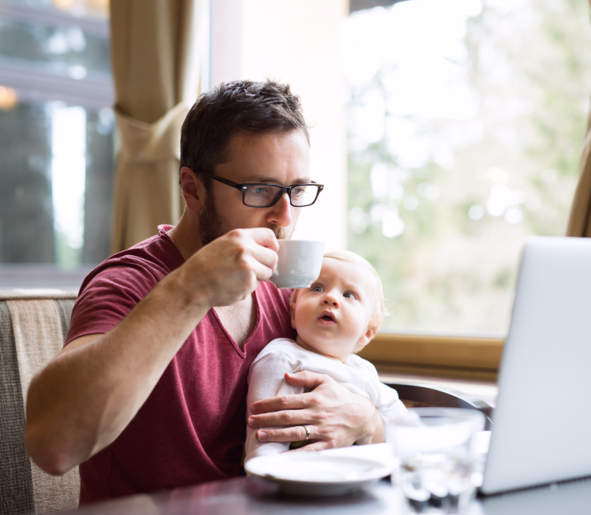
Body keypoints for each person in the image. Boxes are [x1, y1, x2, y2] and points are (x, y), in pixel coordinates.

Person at [23, 80, 385, 504]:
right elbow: (52, 446)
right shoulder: (129, 283)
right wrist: (190, 289)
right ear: (193, 188)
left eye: (297, 191)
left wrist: (366, 421)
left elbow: (348, 404)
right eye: (261, 190)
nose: (284, 217)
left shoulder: (285, 292)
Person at [245, 250, 413, 462]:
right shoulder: (281, 358)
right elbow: (264, 442)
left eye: (349, 295)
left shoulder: (363, 370)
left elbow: (404, 429)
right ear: (294, 314)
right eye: (317, 288)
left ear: (367, 333)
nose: (331, 297)